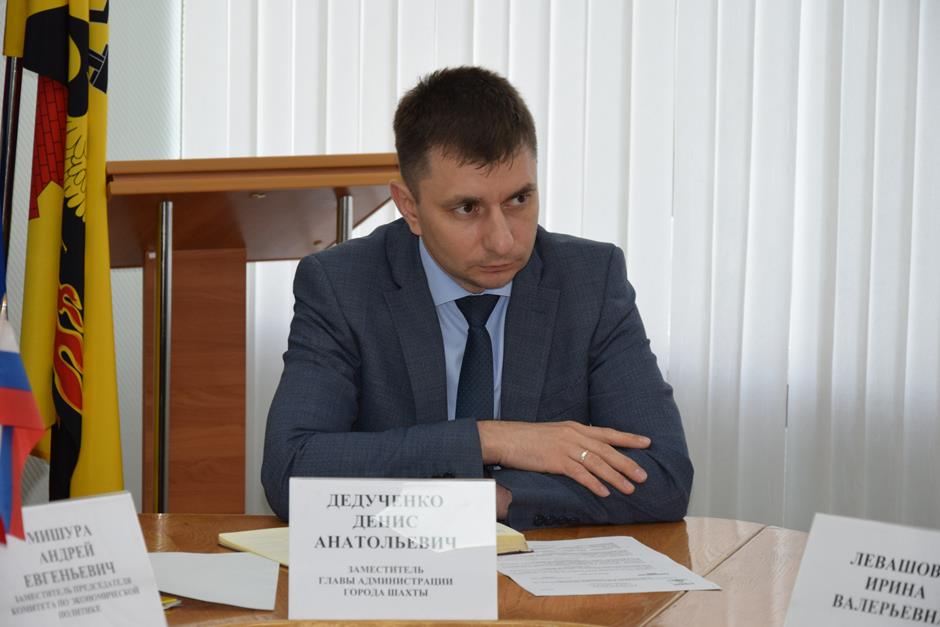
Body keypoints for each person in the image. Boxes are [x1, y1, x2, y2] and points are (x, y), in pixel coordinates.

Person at [261, 66, 693, 529]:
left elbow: (662, 478)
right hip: (401, 567)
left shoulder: (589, 281)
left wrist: (496, 499)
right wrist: (492, 440)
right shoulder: (343, 285)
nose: (503, 241)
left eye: (519, 200)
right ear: (410, 207)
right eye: (467, 208)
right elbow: (292, 470)